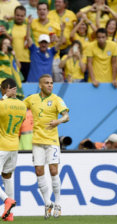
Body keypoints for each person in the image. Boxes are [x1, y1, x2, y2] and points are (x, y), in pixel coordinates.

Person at [24, 74, 69, 219]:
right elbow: (19, 108)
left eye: (51, 83)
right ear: (40, 85)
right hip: (37, 142)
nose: (50, 85)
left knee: (53, 170)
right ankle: (47, 203)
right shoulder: (31, 99)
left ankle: (58, 203)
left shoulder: (56, 99)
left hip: (52, 142)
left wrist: (59, 121)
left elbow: (66, 116)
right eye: (47, 83)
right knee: (38, 171)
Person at [0, 78, 27, 221]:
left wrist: (5, 97)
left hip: (1, 146)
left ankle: (7, 200)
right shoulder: (22, 106)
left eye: (1, 90)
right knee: (7, 177)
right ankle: (10, 214)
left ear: (6, 89)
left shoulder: (2, 105)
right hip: (13, 146)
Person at [26, 16, 65, 82]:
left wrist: (62, 31)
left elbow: (60, 43)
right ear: (39, 43)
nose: (43, 44)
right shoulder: (34, 50)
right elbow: (28, 38)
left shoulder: (51, 52)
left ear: (49, 43)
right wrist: (29, 25)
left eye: (45, 42)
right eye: (42, 42)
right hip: (32, 82)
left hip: (46, 84)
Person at [8, 5, 30, 82]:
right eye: (17, 15)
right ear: (14, 15)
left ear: (25, 16)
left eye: (22, 15)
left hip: (26, 60)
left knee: (23, 85)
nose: (19, 17)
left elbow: (31, 42)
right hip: (13, 59)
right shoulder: (10, 26)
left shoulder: (27, 27)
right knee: (13, 83)